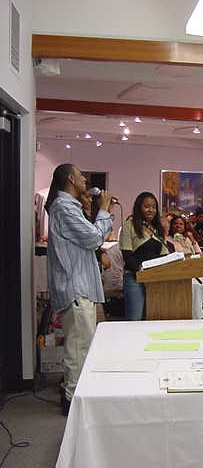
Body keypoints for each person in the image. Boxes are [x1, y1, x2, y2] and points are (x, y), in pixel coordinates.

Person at [45, 164, 113, 415]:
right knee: (79, 346)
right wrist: (104, 210)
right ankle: (72, 400)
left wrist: (89, 209)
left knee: (83, 342)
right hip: (75, 287)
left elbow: (86, 240)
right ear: (72, 179)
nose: (86, 180)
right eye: (82, 176)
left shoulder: (69, 208)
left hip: (80, 285)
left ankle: (75, 391)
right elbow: (94, 238)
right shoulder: (63, 208)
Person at [120, 192, 172, 321]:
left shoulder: (157, 229)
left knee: (154, 319)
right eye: (147, 206)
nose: (151, 210)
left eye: (154, 207)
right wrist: (141, 272)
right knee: (135, 319)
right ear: (139, 207)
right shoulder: (129, 226)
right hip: (134, 278)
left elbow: (164, 255)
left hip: (156, 280)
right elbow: (127, 255)